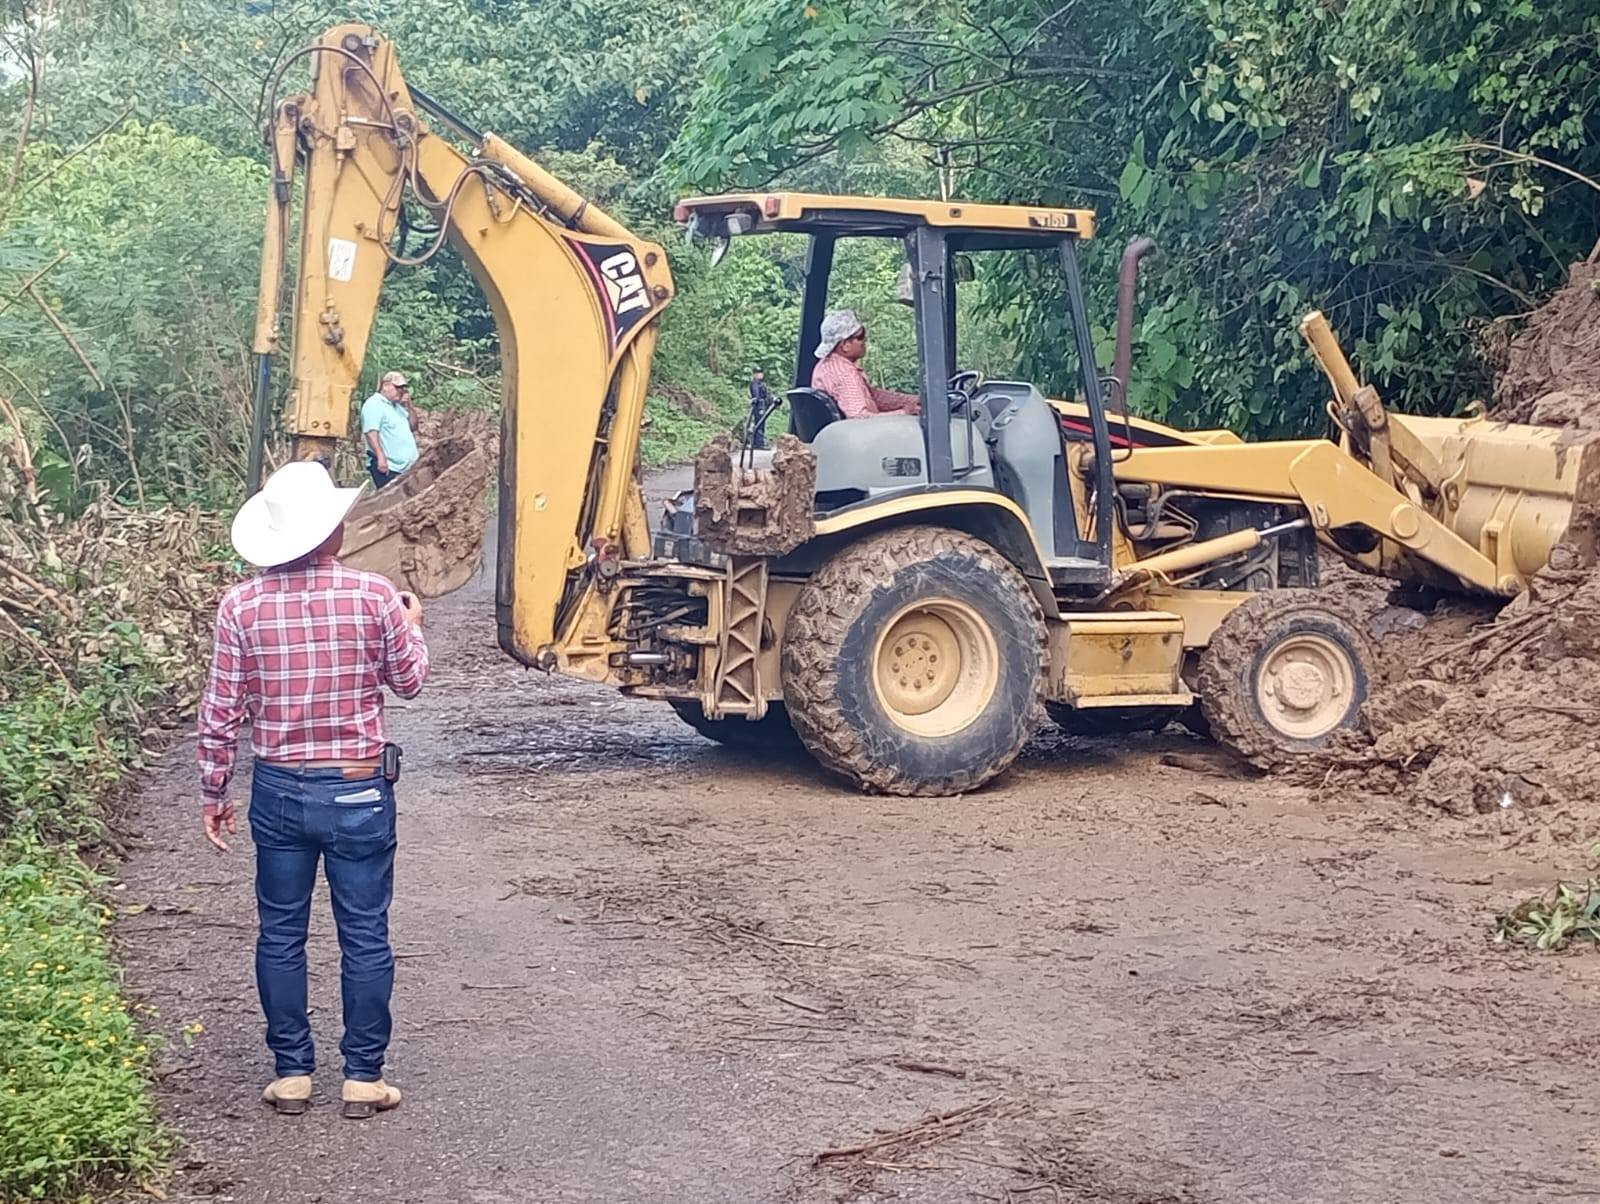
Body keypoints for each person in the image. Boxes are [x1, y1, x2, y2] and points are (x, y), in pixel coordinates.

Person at [197, 459, 429, 1120]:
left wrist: (215, 791)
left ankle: (293, 1073)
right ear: (332, 531)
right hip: (357, 788)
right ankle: (362, 1078)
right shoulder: (375, 596)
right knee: (364, 933)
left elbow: (221, 711)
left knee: (280, 932)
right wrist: (413, 625)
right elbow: (409, 683)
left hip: (278, 791)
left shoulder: (240, 606)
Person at [810, 309, 921, 419]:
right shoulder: (844, 373)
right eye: (861, 336)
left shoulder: (827, 365)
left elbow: (874, 396)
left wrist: (914, 400)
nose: (865, 340)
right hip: (863, 430)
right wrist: (905, 413)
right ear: (845, 345)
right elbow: (859, 417)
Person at [360, 370, 419, 489]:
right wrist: (380, 457)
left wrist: (409, 406)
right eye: (397, 388)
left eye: (402, 388)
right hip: (389, 468)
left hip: (406, 468)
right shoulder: (374, 405)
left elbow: (413, 426)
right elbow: (371, 433)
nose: (401, 391)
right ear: (385, 386)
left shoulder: (396, 407)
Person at [748, 368, 774, 449]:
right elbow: (757, 396)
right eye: (759, 373)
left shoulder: (760, 383)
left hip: (762, 405)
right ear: (755, 374)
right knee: (759, 424)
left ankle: (758, 442)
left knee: (761, 424)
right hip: (759, 406)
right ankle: (759, 443)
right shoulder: (755, 384)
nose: (761, 375)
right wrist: (761, 405)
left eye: (761, 373)